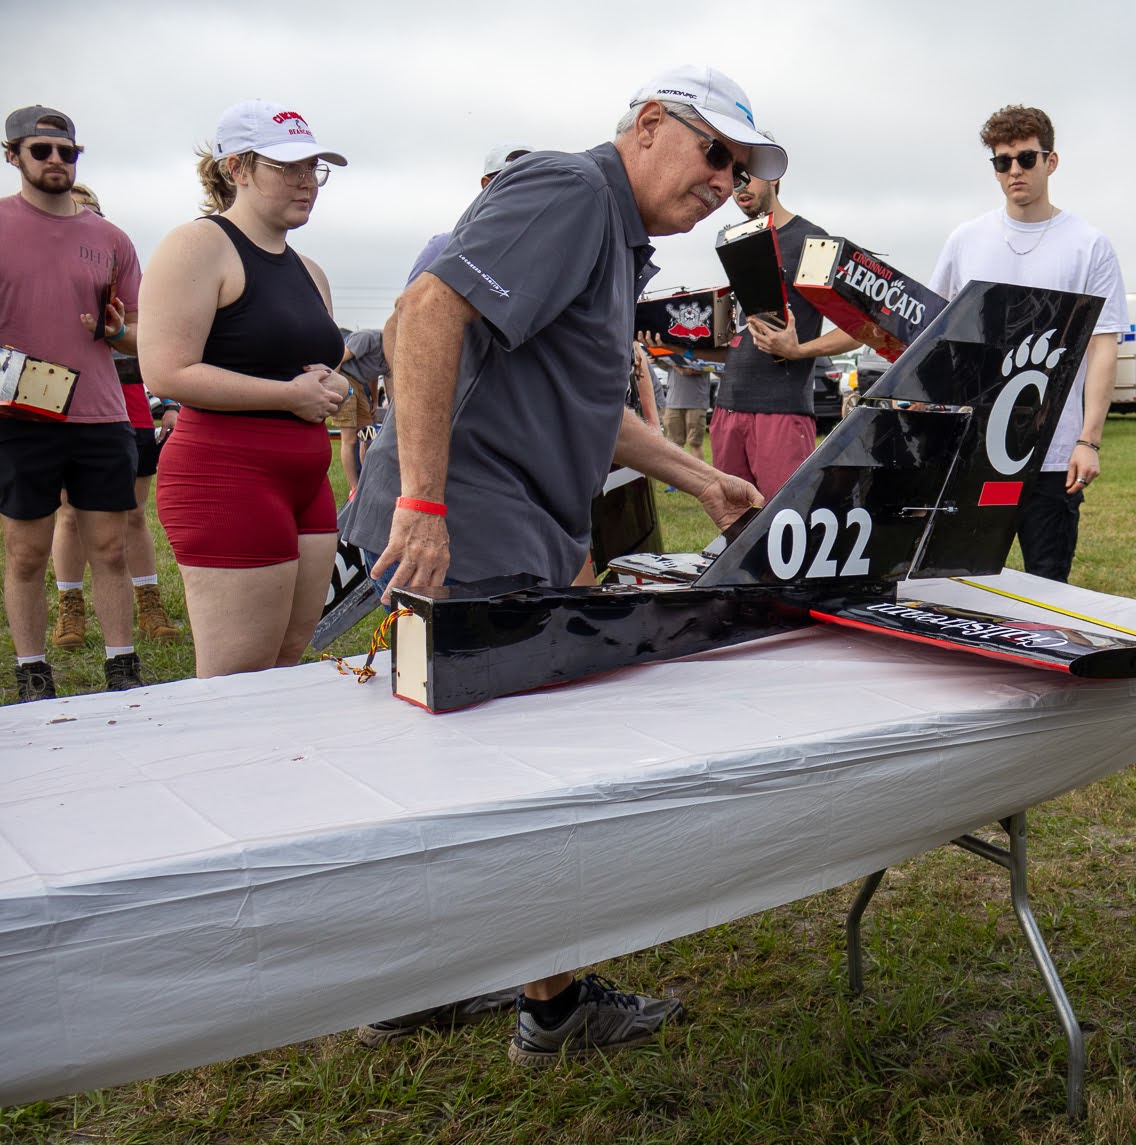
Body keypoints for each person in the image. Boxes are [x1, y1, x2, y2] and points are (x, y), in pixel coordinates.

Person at [339, 65, 773, 1064]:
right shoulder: (576, 192)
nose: (722, 182)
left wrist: (697, 477)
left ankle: (432, 979)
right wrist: (425, 503)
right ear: (651, 126)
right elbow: (423, 315)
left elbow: (582, 401)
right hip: (471, 539)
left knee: (467, 778)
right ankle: (550, 1007)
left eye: (738, 169)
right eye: (715, 153)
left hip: (503, 534)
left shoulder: (617, 238)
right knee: (527, 783)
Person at [139, 101, 351, 680]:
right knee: (236, 680)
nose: (307, 181)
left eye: (314, 168)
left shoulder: (309, 269)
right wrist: (288, 396)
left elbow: (313, 363)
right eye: (288, 167)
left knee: (284, 665)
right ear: (236, 168)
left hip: (305, 481)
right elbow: (166, 372)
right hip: (227, 474)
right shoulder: (198, 245)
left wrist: (328, 381)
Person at [930, 105, 1127, 582]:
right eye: (1002, 161)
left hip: (1053, 451)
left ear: (1050, 161)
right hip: (973, 445)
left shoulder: (1089, 244)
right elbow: (935, 332)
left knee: (1048, 586)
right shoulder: (966, 240)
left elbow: (1104, 347)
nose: (1014, 170)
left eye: (1026, 158)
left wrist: (1089, 441)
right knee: (959, 582)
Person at [0, 106, 145, 702]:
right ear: (13, 156)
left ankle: (123, 666)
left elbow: (140, 332)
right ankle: (32, 671)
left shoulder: (110, 238)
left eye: (68, 152)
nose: (57, 161)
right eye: (42, 151)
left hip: (100, 414)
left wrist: (115, 332)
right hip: (19, 418)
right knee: (27, 553)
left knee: (110, 546)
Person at [46, 184, 183, 650]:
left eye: (94, 216)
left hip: (128, 399)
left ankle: (148, 602)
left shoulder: (121, 267)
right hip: (66, 400)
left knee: (132, 514)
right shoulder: (46, 278)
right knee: (68, 514)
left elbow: (157, 340)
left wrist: (169, 404)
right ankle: (71, 609)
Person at [711, 158, 861, 498]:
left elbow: (861, 329)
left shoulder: (810, 240)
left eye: (749, 176)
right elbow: (744, 334)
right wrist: (679, 346)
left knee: (781, 528)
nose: (740, 187)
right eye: (735, 177)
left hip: (781, 411)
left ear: (774, 175)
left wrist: (800, 350)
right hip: (727, 408)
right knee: (732, 525)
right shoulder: (736, 240)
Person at [405, 143, 534, 286]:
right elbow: (409, 306)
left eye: (535, 181)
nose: (524, 189)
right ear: (487, 185)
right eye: (512, 179)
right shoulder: (443, 248)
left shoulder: (554, 257)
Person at [332, 327, 387, 490]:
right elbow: (338, 359)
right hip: (344, 378)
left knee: (367, 435)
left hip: (361, 385)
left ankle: (367, 482)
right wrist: (331, 385)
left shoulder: (392, 354)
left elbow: (374, 376)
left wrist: (374, 402)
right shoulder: (368, 338)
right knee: (349, 439)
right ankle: (354, 488)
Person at [652, 341, 711, 459]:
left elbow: (696, 369)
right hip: (673, 402)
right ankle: (677, 475)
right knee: (674, 444)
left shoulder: (702, 348)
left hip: (696, 402)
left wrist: (678, 365)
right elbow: (666, 365)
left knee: (695, 442)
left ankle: (698, 475)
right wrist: (655, 359)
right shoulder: (671, 347)